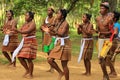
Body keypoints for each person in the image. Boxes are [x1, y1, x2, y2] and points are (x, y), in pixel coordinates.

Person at [43, 9, 71, 80]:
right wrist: (47, 29)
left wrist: (50, 30)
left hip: (64, 43)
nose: (56, 15)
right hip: (58, 42)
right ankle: (60, 72)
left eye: (58, 13)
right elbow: (52, 28)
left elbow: (61, 33)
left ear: (62, 16)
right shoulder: (57, 22)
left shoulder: (66, 24)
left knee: (64, 64)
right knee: (49, 59)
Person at [13, 11, 37, 78]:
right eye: (25, 15)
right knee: (20, 57)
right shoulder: (25, 24)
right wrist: (13, 28)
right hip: (25, 41)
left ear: (31, 17)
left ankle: (31, 74)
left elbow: (27, 31)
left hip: (31, 42)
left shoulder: (33, 24)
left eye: (27, 16)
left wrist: (17, 30)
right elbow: (20, 30)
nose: (25, 17)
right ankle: (27, 70)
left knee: (29, 58)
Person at [96, 2, 114, 80]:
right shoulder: (98, 18)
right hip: (100, 40)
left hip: (107, 40)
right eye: (100, 8)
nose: (101, 10)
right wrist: (95, 31)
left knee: (101, 58)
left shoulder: (110, 19)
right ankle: (105, 75)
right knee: (101, 60)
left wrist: (102, 33)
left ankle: (106, 75)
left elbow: (112, 32)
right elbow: (98, 29)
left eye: (103, 8)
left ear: (107, 10)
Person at [105, 11, 120, 78]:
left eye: (112, 15)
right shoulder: (113, 24)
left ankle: (113, 72)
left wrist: (111, 36)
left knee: (109, 57)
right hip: (112, 41)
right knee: (109, 57)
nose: (110, 16)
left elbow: (115, 33)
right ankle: (112, 71)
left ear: (115, 18)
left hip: (114, 42)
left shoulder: (116, 25)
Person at [41, 7, 55, 72]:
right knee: (47, 51)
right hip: (46, 36)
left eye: (49, 10)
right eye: (47, 10)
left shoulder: (55, 18)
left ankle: (53, 66)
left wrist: (48, 26)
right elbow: (43, 26)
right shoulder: (45, 18)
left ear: (52, 12)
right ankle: (51, 66)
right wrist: (42, 27)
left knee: (51, 50)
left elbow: (54, 26)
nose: (48, 11)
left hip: (52, 36)